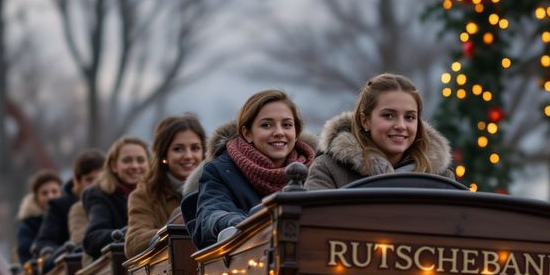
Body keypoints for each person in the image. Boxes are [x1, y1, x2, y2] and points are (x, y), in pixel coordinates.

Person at [186, 90, 314, 250]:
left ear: (296, 133)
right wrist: (245, 225)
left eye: (287, 125)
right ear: (247, 134)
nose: (279, 132)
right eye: (267, 125)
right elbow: (211, 213)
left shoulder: (315, 168)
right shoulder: (220, 170)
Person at [305, 73, 454, 190]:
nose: (401, 125)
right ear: (366, 121)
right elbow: (314, 221)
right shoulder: (328, 169)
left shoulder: (441, 178)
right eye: (388, 116)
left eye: (409, 117)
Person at [125, 115, 206, 256]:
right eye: (178, 149)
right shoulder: (144, 196)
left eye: (195, 148)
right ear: (163, 154)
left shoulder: (215, 186)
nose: (188, 155)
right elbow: (133, 243)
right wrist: (174, 227)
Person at [80, 136, 150, 258]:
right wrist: (134, 234)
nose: (134, 166)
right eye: (127, 160)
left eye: (140, 160)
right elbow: (93, 239)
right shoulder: (100, 195)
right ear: (113, 166)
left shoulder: (160, 192)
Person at [32, 149, 105, 264]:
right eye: (89, 179)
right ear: (77, 182)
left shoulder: (116, 199)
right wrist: (67, 252)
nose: (95, 184)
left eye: (100, 178)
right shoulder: (60, 207)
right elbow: (45, 243)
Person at [14, 169, 62, 264]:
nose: (50, 197)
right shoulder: (27, 225)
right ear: (36, 198)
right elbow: (26, 257)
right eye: (45, 193)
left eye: (54, 191)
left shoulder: (70, 215)